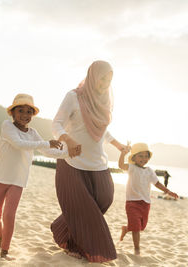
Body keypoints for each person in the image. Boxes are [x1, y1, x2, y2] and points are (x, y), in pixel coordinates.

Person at [50, 60, 127, 262]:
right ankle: (85, 248)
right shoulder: (74, 96)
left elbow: (102, 130)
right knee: (84, 208)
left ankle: (60, 227)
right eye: (102, 77)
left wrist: (119, 146)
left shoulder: (104, 101)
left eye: (109, 79)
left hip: (98, 163)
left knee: (105, 199)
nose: (105, 83)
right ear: (93, 75)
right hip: (73, 162)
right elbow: (56, 123)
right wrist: (68, 139)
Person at [0, 93, 67, 260]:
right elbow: (19, 144)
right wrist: (46, 142)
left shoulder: (33, 133)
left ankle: (4, 250)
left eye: (29, 112)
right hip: (0, 178)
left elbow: (47, 151)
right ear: (13, 112)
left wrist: (68, 154)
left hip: (18, 181)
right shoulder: (7, 126)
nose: (25, 115)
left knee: (9, 215)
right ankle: (1, 237)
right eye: (21, 111)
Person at [118, 143, 178, 255]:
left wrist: (168, 191)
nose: (144, 159)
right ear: (134, 157)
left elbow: (157, 183)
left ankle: (126, 229)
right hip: (132, 202)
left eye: (146, 156)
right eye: (140, 156)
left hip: (145, 204)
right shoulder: (131, 167)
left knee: (140, 227)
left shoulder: (150, 171)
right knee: (136, 228)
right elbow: (121, 165)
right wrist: (122, 154)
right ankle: (137, 249)